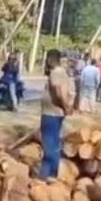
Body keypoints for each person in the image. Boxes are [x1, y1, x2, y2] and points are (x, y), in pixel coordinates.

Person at [38, 49, 72, 181]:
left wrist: (64, 106)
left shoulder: (56, 73)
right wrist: (66, 107)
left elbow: (57, 92)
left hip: (51, 113)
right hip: (56, 113)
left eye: (47, 59)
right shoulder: (62, 72)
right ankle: (47, 174)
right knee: (54, 143)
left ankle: (49, 174)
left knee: (49, 146)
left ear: (50, 59)